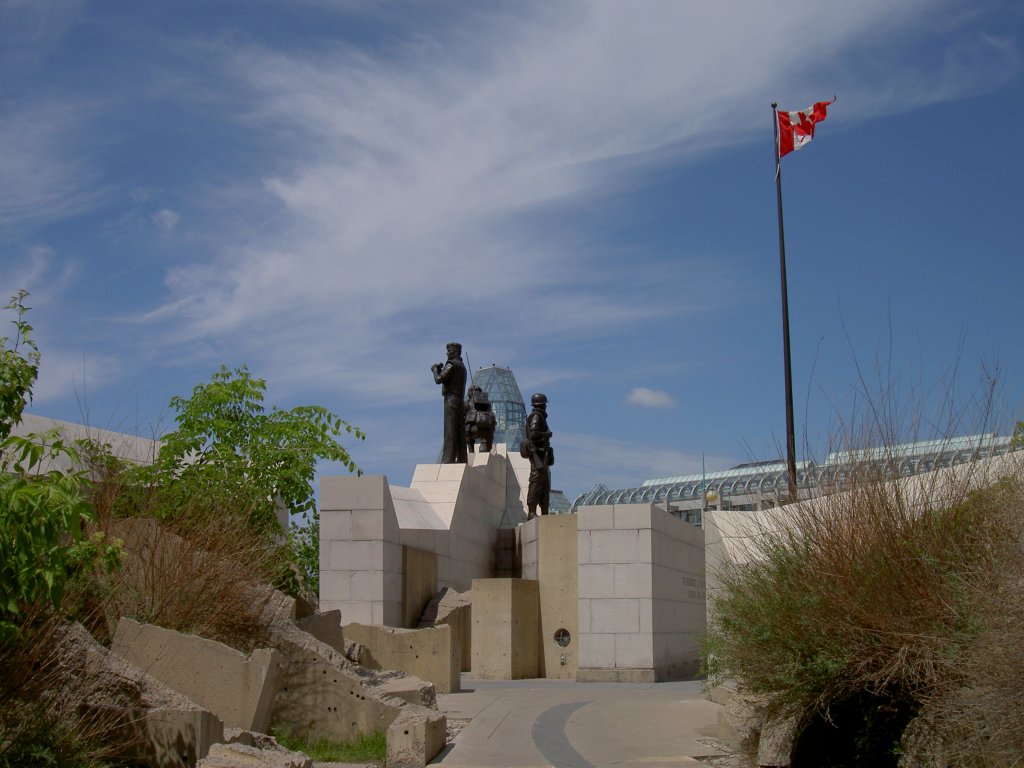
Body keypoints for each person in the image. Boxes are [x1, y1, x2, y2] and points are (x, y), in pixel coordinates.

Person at [431, 342, 468, 464]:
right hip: (460, 400)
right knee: (460, 431)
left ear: (456, 352)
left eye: (450, 351)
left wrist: (435, 369)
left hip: (451, 399)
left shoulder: (451, 364)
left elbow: (439, 379)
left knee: (450, 430)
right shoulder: (462, 367)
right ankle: (462, 458)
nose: (447, 353)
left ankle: (448, 459)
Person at [524, 392, 554, 519]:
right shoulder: (536, 416)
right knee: (536, 483)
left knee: (544, 485)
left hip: (543, 455)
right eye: (544, 405)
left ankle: (544, 512)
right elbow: (534, 433)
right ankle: (531, 512)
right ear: (541, 405)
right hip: (538, 454)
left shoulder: (539, 416)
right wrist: (546, 434)